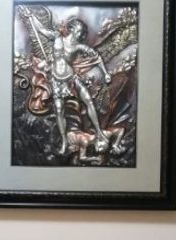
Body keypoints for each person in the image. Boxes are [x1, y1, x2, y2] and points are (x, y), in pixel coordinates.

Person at [21, 8, 112, 155]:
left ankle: (99, 131)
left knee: (89, 100)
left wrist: (106, 73)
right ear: (73, 29)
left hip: (71, 79)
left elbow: (97, 57)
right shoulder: (57, 37)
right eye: (80, 31)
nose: (81, 35)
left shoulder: (78, 47)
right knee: (59, 110)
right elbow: (41, 30)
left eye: (82, 33)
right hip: (57, 81)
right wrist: (31, 16)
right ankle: (64, 141)